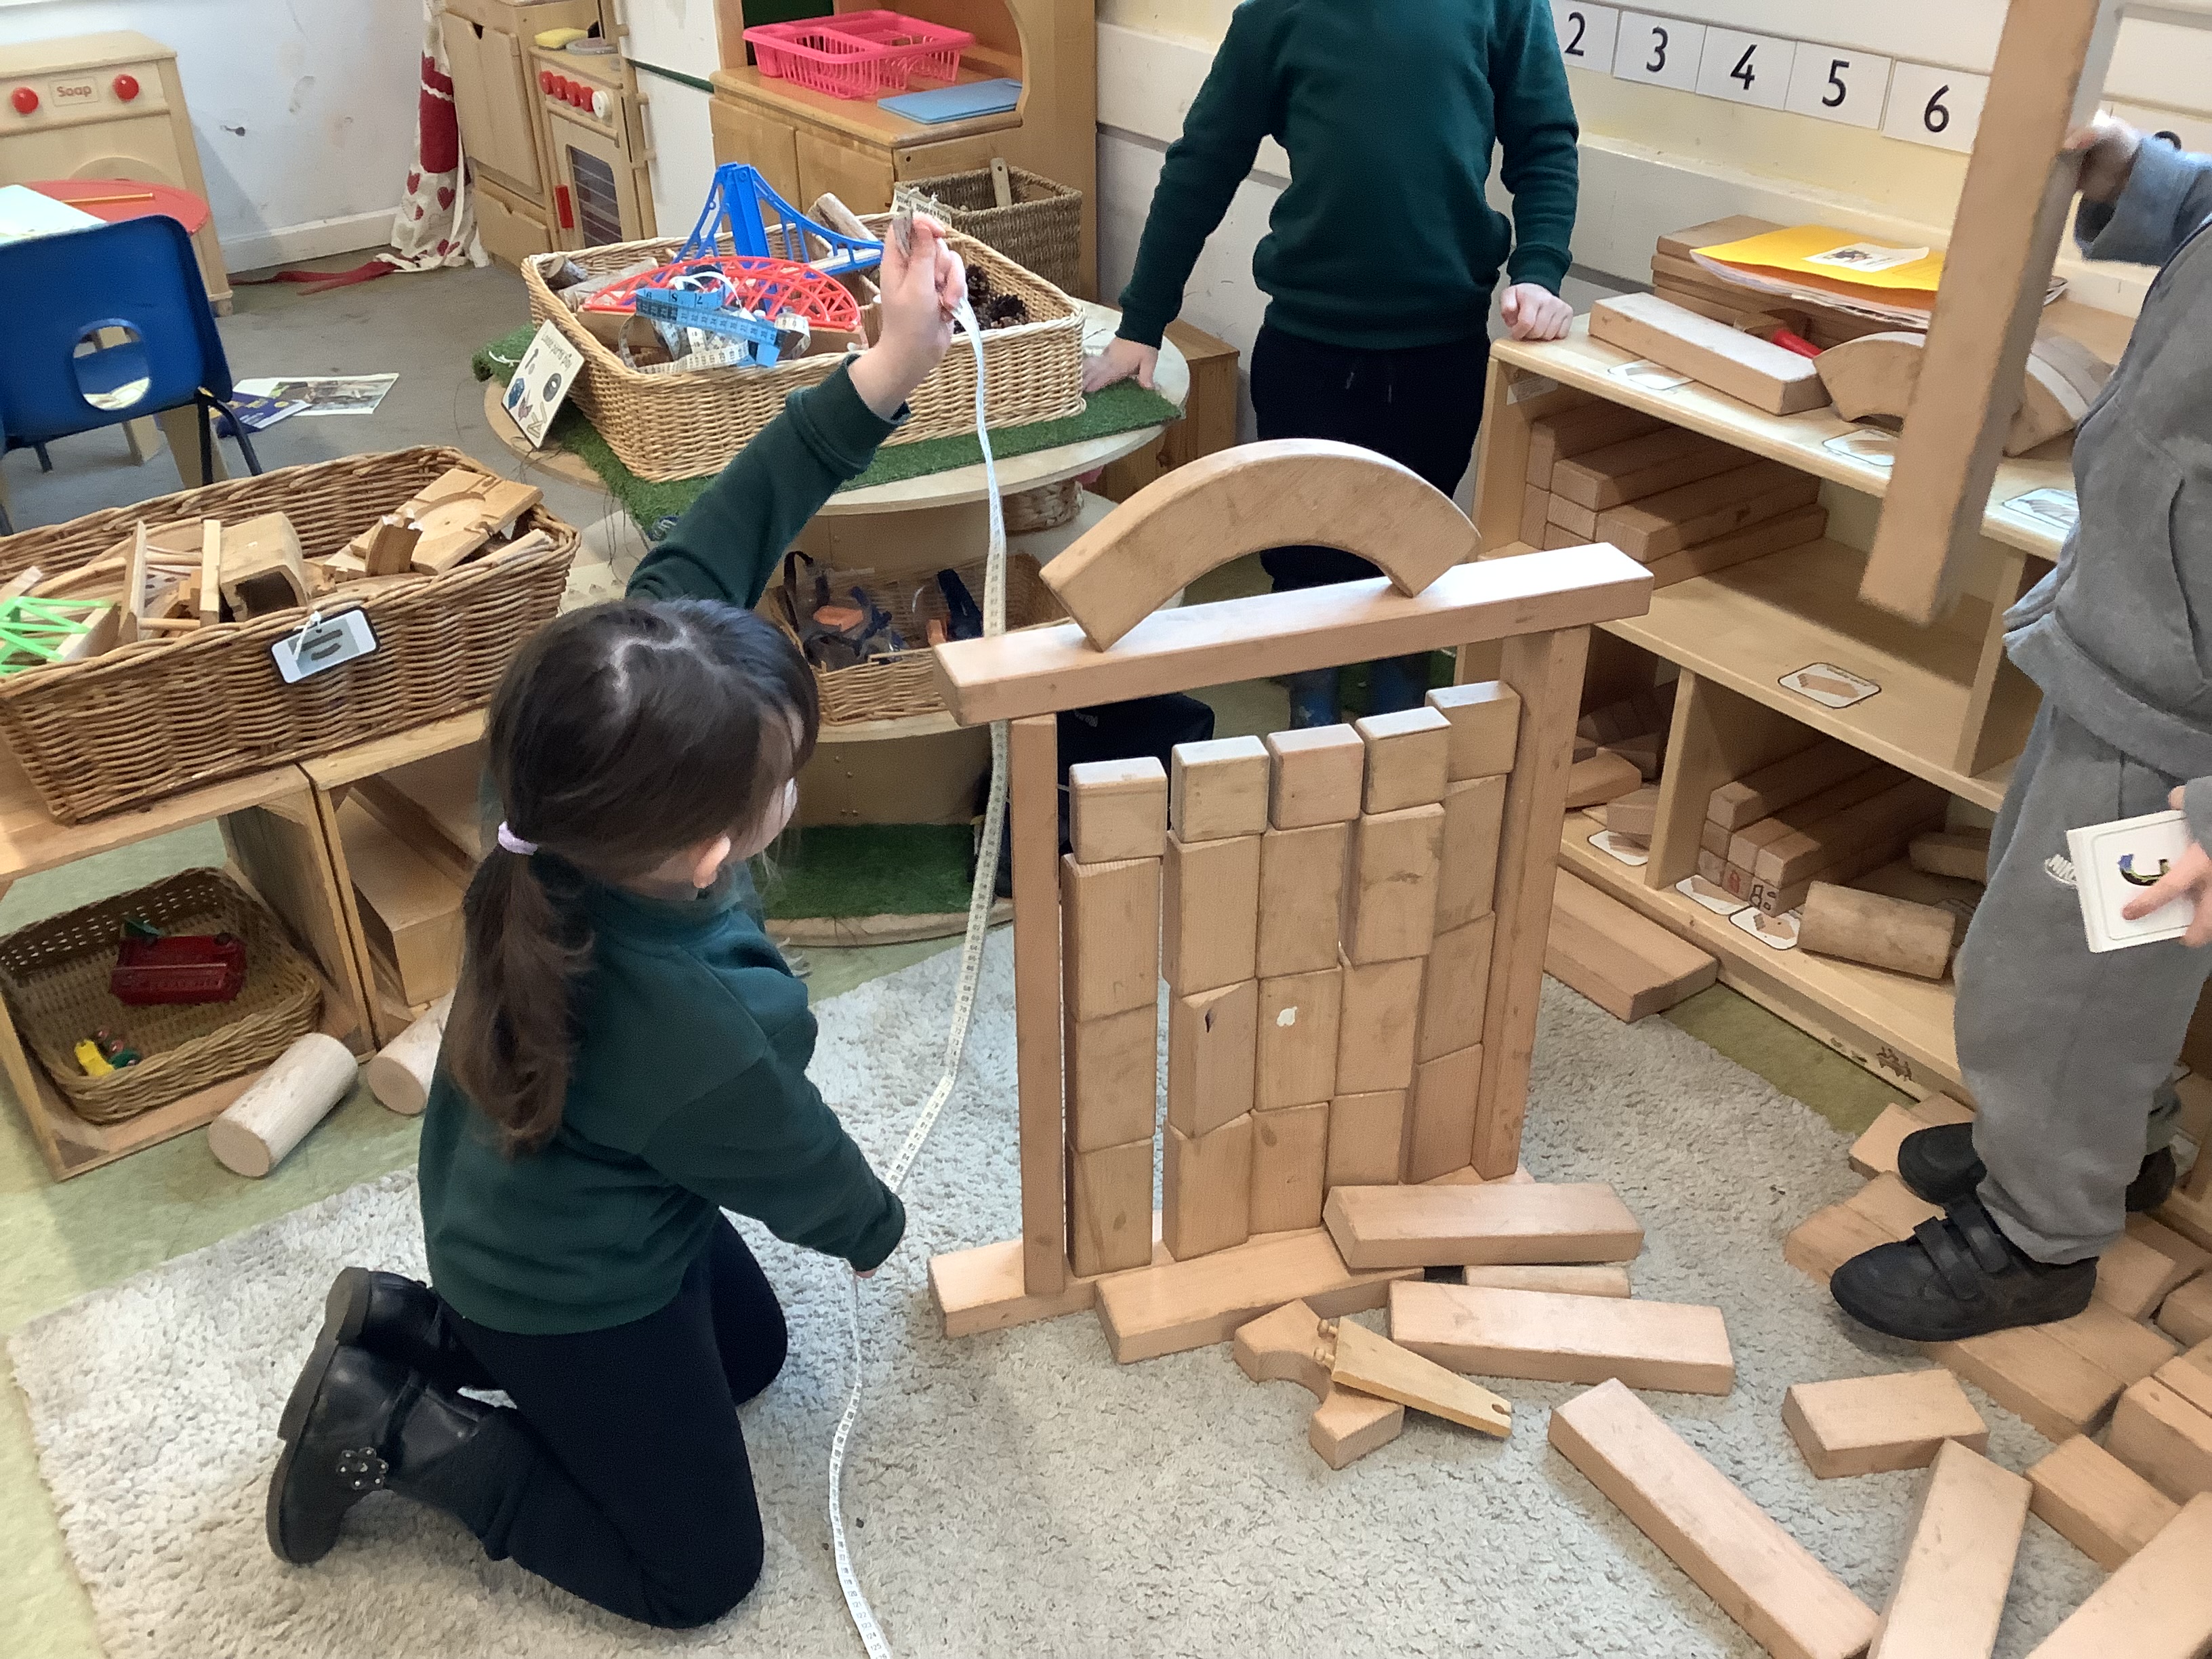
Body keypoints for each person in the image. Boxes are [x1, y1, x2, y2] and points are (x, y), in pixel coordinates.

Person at [262, 220, 972, 1626]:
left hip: (539, 1204)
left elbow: (729, 521)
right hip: (559, 1279)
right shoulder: (698, 1025)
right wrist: (875, 1227)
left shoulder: (565, 752)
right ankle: (402, 1426)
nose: (790, 782)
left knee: (752, 1359)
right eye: (784, 774)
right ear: (713, 844)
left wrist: (890, 366)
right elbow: (795, 1161)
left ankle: (417, 1326)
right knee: (701, 1574)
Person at [1830, 117, 2210, 1343]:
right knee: (2076, 952)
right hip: (2129, 647)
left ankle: (2039, 1235)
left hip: (2177, 736)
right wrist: (2148, 185)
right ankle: (2108, 1144)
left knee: (2059, 983)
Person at [1086, 0, 1580, 726]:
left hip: (1439, 356)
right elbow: (1204, 163)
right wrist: (1143, 320)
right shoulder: (1277, 13)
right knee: (1306, 558)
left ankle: (1398, 722)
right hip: (1308, 352)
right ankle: (1309, 717)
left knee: (1414, 558)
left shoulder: (1504, 7)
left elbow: (1545, 143)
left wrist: (1538, 269)